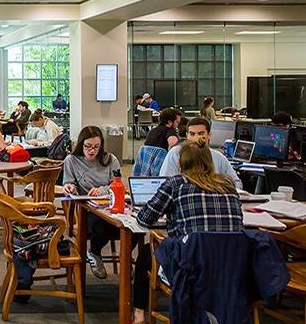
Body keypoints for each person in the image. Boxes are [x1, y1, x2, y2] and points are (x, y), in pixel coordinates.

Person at [132, 138, 243, 323]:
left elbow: (144, 218)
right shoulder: (228, 185)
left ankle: (138, 314)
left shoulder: (176, 183)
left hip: (191, 266)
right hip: (230, 268)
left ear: (181, 162)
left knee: (146, 253)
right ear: (209, 161)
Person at [62, 126, 123, 279]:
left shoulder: (110, 159)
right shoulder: (72, 160)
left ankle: (126, 258)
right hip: (87, 210)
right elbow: (69, 182)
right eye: (88, 146)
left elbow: (117, 184)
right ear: (81, 144)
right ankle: (95, 252)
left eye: (96, 147)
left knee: (133, 229)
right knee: (100, 225)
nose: (92, 151)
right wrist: (70, 187)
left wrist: (102, 190)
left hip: (110, 205)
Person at [159, 117, 243, 189]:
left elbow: (237, 183)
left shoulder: (218, 157)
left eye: (200, 134)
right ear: (187, 135)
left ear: (209, 135)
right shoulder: (175, 153)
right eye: (192, 134)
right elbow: (164, 182)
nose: (196, 138)